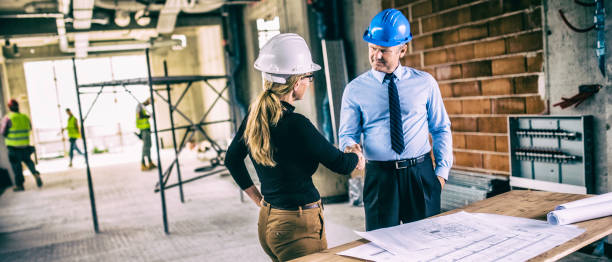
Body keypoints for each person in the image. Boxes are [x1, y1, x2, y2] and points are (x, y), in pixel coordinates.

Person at [225, 33, 365, 262]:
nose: (310, 82)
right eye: (308, 77)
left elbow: (231, 159)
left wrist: (259, 201)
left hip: (269, 223)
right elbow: (340, 164)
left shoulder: (254, 116)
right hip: (297, 229)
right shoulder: (298, 125)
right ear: (296, 81)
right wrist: (357, 156)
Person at [339, 9, 453, 231]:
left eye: (384, 50)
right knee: (382, 247)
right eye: (372, 48)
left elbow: (441, 128)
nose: (377, 56)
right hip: (380, 178)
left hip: (420, 176)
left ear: (403, 49)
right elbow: (347, 133)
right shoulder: (354, 90)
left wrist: (441, 174)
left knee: (426, 244)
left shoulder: (425, 83)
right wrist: (351, 147)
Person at [1, 99, 42, 191]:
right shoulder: (25, 117)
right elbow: (30, 128)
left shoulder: (8, 118)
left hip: (13, 148)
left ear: (9, 107)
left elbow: (3, 132)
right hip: (25, 146)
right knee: (28, 161)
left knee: (17, 167)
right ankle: (35, 173)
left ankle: (20, 185)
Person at [136, 98, 156, 171]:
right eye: (151, 102)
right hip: (143, 129)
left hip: (146, 129)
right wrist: (148, 116)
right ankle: (143, 164)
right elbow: (139, 116)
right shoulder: (139, 106)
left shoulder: (143, 107)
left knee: (149, 146)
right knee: (145, 147)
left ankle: (150, 163)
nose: (150, 104)